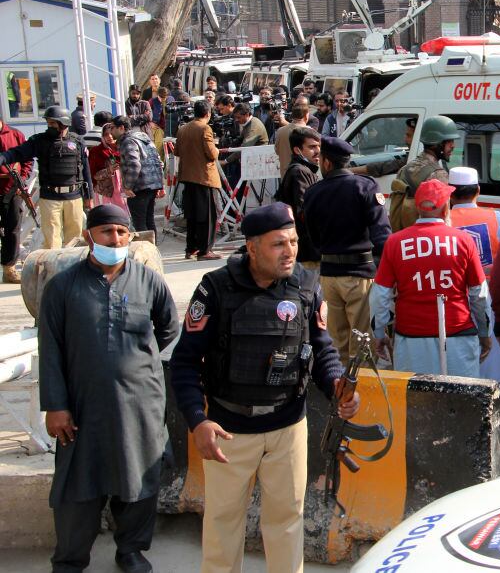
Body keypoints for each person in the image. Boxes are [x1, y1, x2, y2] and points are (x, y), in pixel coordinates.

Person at [169, 203, 359, 573]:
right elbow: (185, 361)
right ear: (252, 248)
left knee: (287, 521)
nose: (289, 251)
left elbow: (322, 349)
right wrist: (197, 420)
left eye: (293, 242)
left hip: (288, 427)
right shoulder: (215, 288)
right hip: (230, 430)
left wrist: (336, 384)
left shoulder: (306, 285)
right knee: (223, 524)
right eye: (277, 244)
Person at [39, 205, 178, 573]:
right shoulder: (62, 288)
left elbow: (168, 328)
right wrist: (55, 404)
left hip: (139, 406)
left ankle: (130, 550)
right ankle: (70, 559)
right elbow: (50, 348)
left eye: (121, 232)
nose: (114, 239)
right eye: (106, 232)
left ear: (130, 236)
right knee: (76, 488)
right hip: (82, 408)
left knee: (139, 482)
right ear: (89, 237)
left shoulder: (149, 282)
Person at [370, 179, 490, 376]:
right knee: (462, 401)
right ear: (445, 209)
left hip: (411, 338)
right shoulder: (464, 241)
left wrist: (379, 333)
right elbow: (480, 295)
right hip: (458, 335)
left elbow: (380, 295)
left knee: (417, 402)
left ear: (418, 208)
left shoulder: (395, 242)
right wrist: (484, 333)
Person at [305, 136, 390, 358]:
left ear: (326, 163)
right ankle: (359, 390)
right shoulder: (366, 186)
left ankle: (340, 390)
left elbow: (312, 238)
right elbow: (381, 235)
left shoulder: (313, 193)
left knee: (336, 344)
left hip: (329, 275)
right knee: (362, 344)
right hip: (360, 274)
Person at [449, 165, 500, 397]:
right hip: (491, 297)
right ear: (477, 190)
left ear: (450, 193)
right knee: (495, 353)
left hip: (456, 300)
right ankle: (496, 396)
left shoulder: (443, 221)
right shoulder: (496, 218)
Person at [0, 106, 92, 249]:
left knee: (75, 241)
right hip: (50, 198)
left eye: (53, 123)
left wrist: (89, 196)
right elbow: (17, 153)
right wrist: (3, 158)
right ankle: (54, 271)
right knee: (52, 242)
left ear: (64, 123)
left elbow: (85, 169)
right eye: (48, 123)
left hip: (74, 196)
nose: (50, 127)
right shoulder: (39, 141)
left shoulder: (78, 141)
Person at [389, 115, 458, 231]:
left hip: (405, 237)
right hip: (427, 237)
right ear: (437, 143)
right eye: (449, 141)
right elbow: (445, 217)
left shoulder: (405, 169)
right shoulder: (438, 175)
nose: (453, 146)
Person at [175, 100, 221, 260]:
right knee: (208, 216)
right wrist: (216, 148)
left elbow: (177, 151)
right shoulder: (205, 128)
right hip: (204, 178)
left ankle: (191, 248)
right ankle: (205, 250)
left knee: (192, 215)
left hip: (187, 176)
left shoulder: (182, 129)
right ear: (208, 113)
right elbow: (212, 154)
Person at [276, 127, 321, 268]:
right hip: (306, 249)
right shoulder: (299, 172)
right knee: (306, 288)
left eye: (319, 146)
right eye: (312, 147)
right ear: (297, 150)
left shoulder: (306, 170)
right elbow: (304, 211)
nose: (318, 151)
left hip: (308, 246)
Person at [111, 116, 164, 233]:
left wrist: (128, 186)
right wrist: (160, 184)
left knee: (140, 224)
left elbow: (134, 165)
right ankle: (153, 249)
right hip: (152, 184)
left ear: (121, 128)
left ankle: (147, 249)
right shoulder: (144, 137)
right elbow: (158, 161)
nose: (111, 131)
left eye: (112, 127)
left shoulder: (128, 141)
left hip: (140, 187)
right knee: (149, 221)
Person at [0, 112, 28, 283]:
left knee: (12, 229)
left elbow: (27, 159)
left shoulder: (16, 135)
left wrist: (22, 179)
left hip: (12, 189)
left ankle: (9, 269)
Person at [219, 102, 268, 189]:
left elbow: (244, 148)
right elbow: (239, 139)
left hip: (256, 161)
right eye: (235, 117)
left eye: (238, 117)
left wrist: (226, 161)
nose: (236, 120)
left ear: (247, 114)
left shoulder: (253, 126)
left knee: (236, 183)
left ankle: (236, 199)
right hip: (249, 158)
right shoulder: (248, 123)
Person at [350, 117, 415, 178]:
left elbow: (383, 167)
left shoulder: (414, 161)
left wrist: (348, 171)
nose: (405, 139)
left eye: (408, 135)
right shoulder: (413, 158)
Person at [88, 122, 127, 213]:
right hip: (106, 192)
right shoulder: (97, 151)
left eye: (112, 133)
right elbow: (93, 175)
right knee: (108, 217)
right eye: (106, 134)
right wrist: (108, 171)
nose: (109, 137)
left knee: (125, 217)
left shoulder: (125, 148)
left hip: (124, 189)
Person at [274, 104, 310, 178]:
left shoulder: (280, 131)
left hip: (285, 175)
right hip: (305, 177)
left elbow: (277, 151)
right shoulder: (310, 132)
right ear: (306, 116)